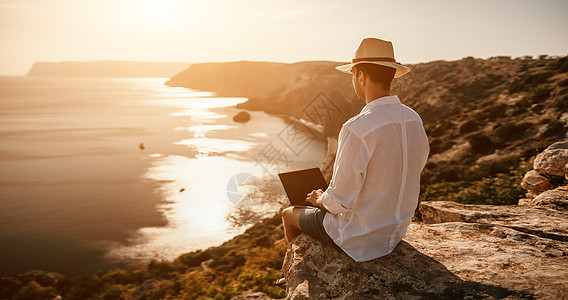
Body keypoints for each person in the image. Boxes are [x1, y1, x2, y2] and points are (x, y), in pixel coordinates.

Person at [281, 38, 430, 262]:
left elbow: (339, 202)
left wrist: (320, 198)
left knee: (288, 214)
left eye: (353, 76)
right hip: (395, 231)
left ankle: (292, 270)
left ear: (360, 76)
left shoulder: (358, 127)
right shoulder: (413, 119)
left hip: (359, 237)